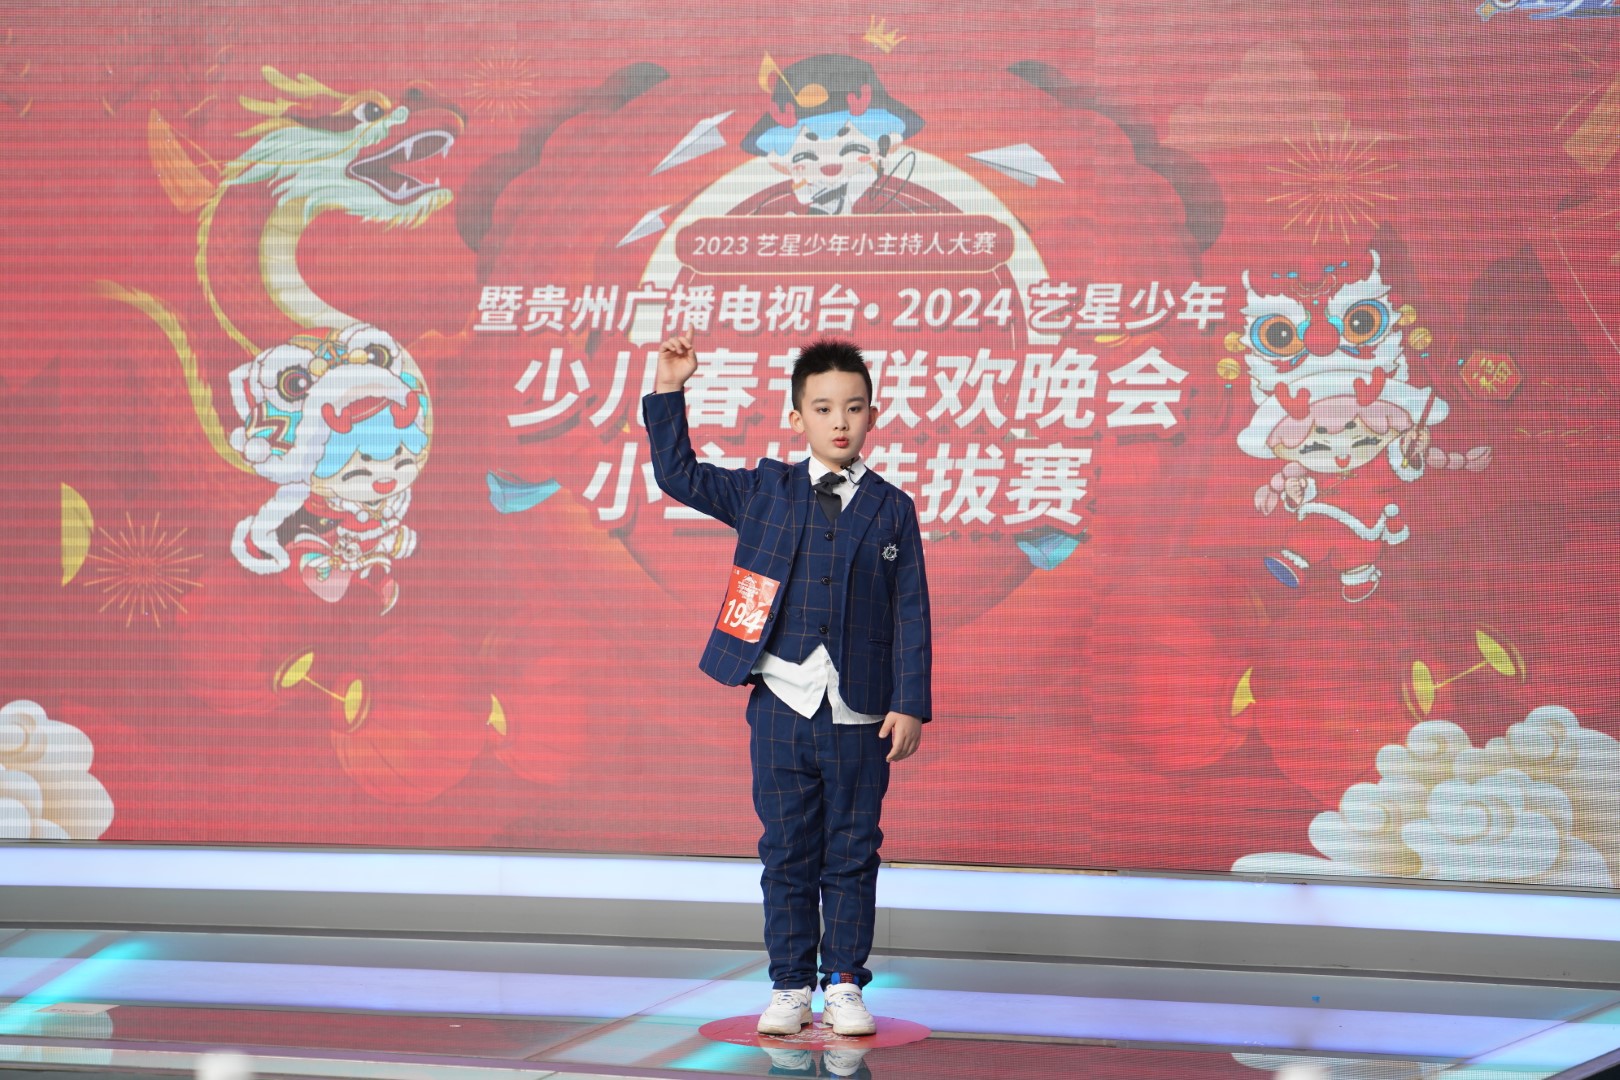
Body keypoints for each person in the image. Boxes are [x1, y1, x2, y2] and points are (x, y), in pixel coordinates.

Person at [643, 334, 932, 1037]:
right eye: (823, 408)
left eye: (854, 408)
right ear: (797, 417)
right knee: (786, 851)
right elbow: (677, 474)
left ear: (872, 416)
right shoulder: (764, 491)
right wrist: (669, 387)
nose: (840, 421)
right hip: (779, 701)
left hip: (860, 711)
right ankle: (790, 983)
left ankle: (845, 984)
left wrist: (910, 703)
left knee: (853, 851)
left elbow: (911, 610)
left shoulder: (893, 508)